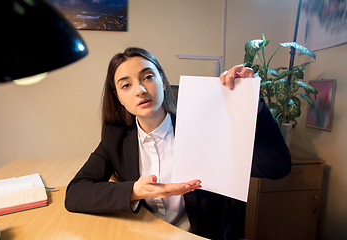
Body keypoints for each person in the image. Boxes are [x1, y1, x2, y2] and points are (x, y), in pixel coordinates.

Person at [65, 47, 291, 240]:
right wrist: (134, 191)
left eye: (147, 77)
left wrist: (252, 103)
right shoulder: (116, 138)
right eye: (126, 85)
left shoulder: (201, 129)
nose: (140, 89)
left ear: (162, 81)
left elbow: (276, 166)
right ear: (119, 98)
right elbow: (76, 193)